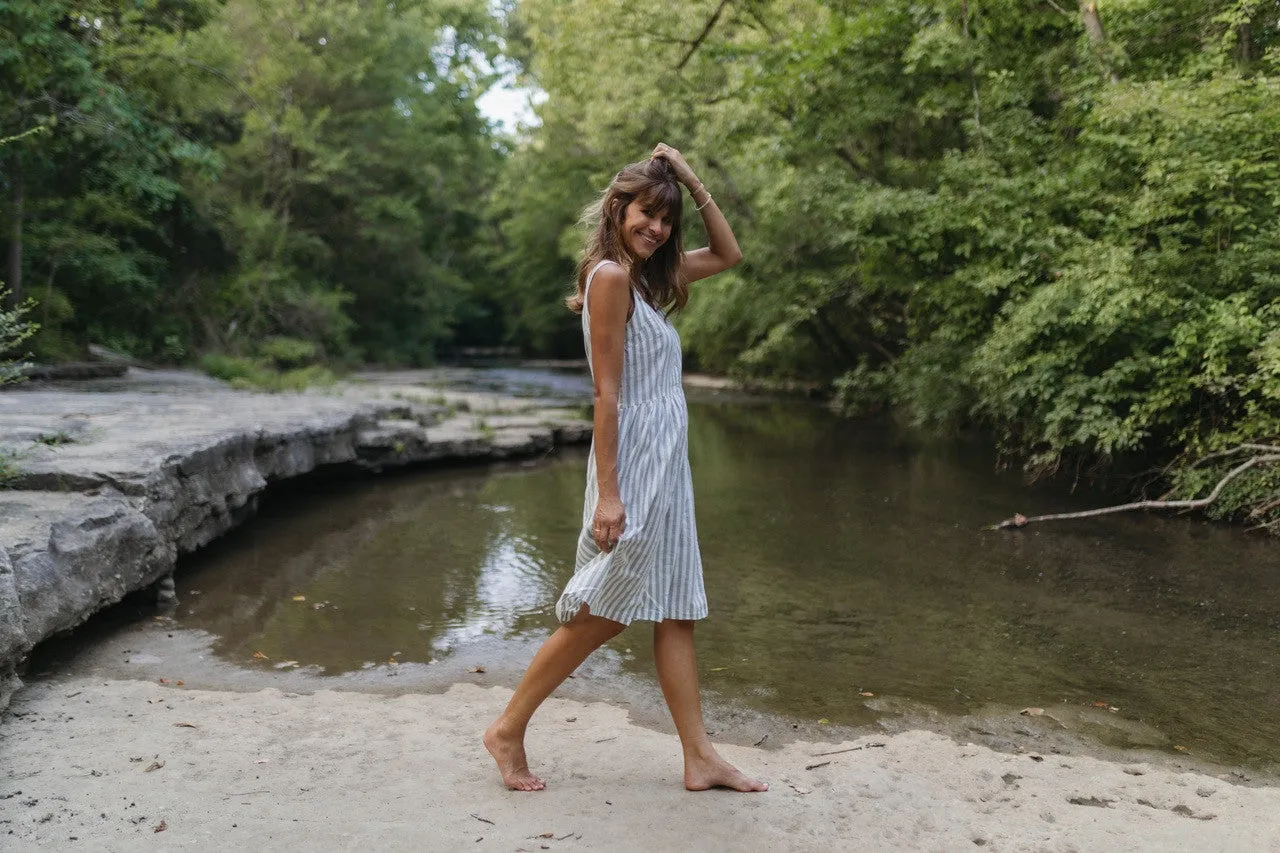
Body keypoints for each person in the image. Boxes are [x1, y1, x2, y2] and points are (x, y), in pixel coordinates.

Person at [484, 143, 767, 794]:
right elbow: (605, 393)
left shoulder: (647, 279)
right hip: (635, 463)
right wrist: (609, 493)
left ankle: (700, 757)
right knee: (604, 609)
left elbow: (729, 255)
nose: (657, 228)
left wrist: (692, 179)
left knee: (676, 608)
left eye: (666, 220)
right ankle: (507, 727)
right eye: (647, 212)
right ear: (619, 208)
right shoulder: (610, 277)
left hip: (667, 464)